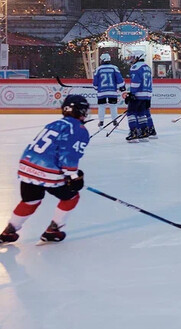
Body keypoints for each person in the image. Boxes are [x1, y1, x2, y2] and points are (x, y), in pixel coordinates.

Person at [1, 95, 90, 244]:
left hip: (27, 167)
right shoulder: (79, 129)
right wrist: (72, 175)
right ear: (79, 110)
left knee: (30, 200)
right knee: (72, 197)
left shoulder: (54, 124)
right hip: (49, 172)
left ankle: (8, 231)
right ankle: (53, 230)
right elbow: (68, 153)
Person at [124, 49, 155, 142]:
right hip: (147, 94)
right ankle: (144, 133)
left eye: (133, 57)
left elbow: (136, 82)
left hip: (138, 94)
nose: (132, 59)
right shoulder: (147, 67)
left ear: (138, 57)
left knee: (131, 113)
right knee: (142, 114)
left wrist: (131, 94)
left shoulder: (135, 67)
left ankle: (133, 133)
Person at [92, 53, 125, 127]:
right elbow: (119, 78)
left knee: (101, 106)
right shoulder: (114, 68)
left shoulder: (98, 69)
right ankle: (115, 120)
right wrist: (122, 86)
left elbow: (95, 81)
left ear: (103, 60)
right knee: (113, 106)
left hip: (101, 92)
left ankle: (101, 121)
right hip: (112, 91)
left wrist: (96, 87)